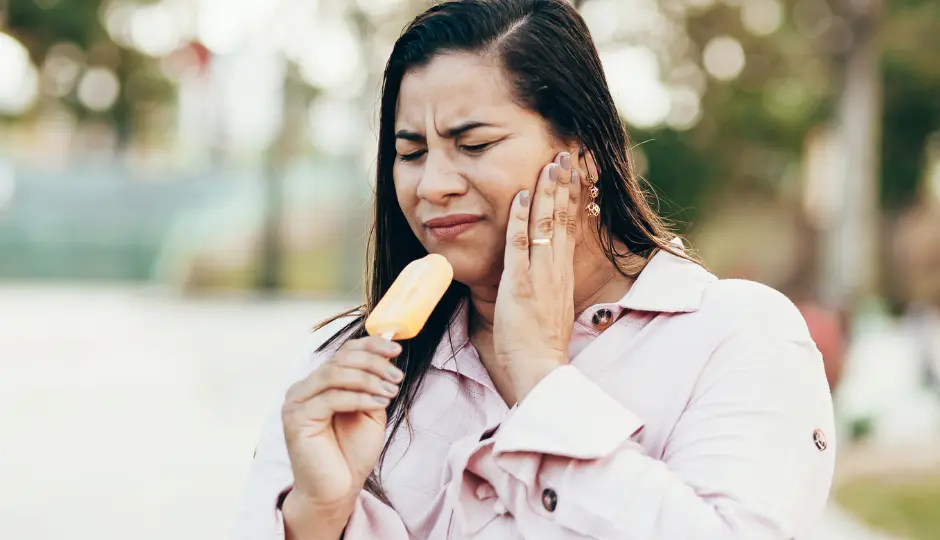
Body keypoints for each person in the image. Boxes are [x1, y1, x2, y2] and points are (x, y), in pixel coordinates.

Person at [232, 1, 835, 538]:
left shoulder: (738, 338)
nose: (432, 185)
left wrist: (544, 382)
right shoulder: (344, 372)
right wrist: (316, 513)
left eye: (474, 145)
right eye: (411, 152)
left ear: (585, 156)